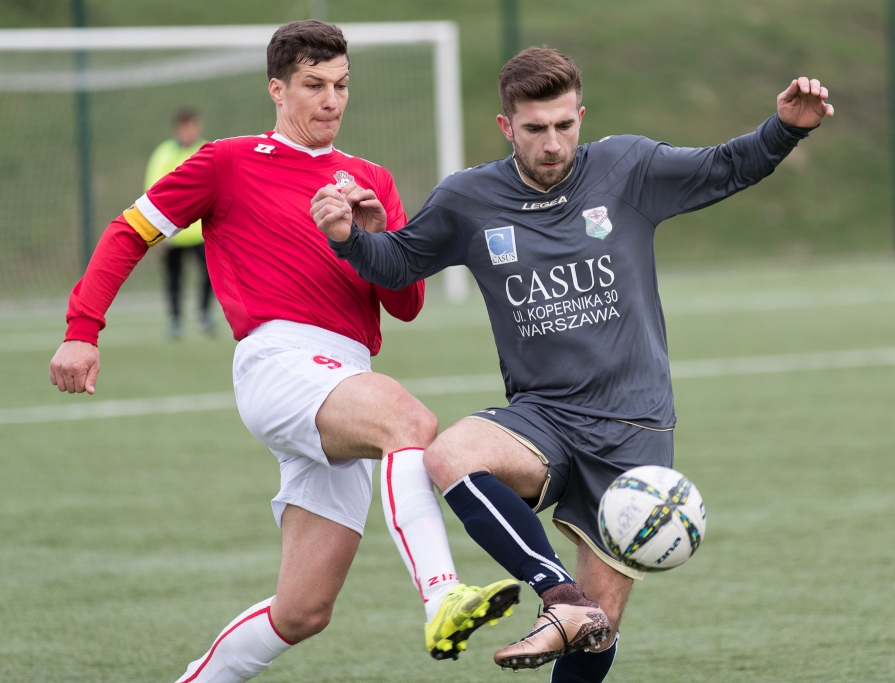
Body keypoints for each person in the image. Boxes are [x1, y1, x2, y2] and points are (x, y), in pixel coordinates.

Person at [314, 47, 833, 680]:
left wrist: (786, 128)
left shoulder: (628, 168)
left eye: (565, 125)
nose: (553, 143)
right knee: (449, 455)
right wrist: (351, 238)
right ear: (507, 127)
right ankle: (558, 594)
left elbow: (726, 166)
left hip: (633, 428)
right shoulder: (467, 199)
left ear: (581, 116)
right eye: (535, 128)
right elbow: (397, 265)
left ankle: (575, 615)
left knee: (597, 633)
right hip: (543, 416)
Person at [48, 20, 517, 683]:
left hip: (345, 375)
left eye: (342, 85)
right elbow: (130, 231)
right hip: (278, 362)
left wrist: (374, 238)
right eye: (314, 85)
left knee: (303, 610)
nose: (331, 100)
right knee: (407, 420)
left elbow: (405, 305)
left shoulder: (371, 180)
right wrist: (82, 328)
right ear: (277, 89)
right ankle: (443, 594)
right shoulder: (227, 161)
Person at [145, 107, 216, 338]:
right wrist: (158, 228)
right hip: (172, 231)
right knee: (174, 277)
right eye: (185, 127)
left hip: (201, 232)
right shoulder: (164, 154)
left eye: (193, 126)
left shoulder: (208, 150)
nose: (189, 131)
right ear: (177, 129)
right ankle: (175, 319)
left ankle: (204, 315)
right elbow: (153, 190)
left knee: (210, 274)